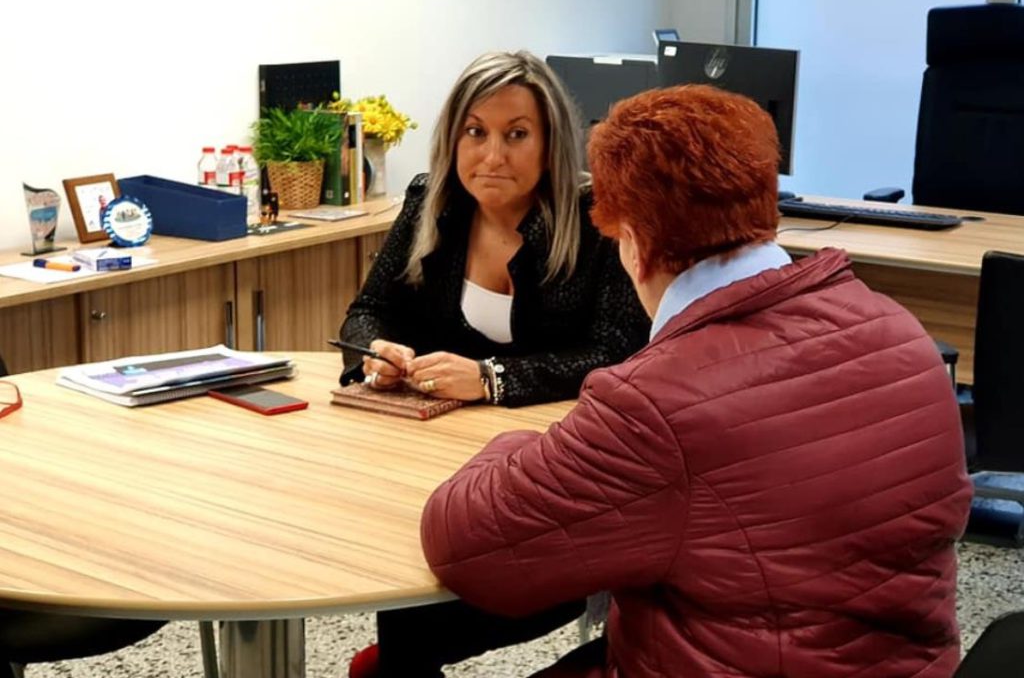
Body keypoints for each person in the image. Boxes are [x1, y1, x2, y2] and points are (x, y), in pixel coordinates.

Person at [419, 84, 973, 677]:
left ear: (632, 244)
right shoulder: (901, 332)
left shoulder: (656, 401)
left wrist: (518, 444)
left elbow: (464, 547)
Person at [340, 51, 650, 676]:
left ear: (551, 143)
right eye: (475, 132)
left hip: (557, 477)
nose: (492, 155)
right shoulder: (432, 201)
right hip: (435, 459)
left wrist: (492, 379)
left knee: (416, 629)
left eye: (517, 134)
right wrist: (378, 352)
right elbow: (368, 311)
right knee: (406, 605)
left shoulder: (598, 219)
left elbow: (619, 353)